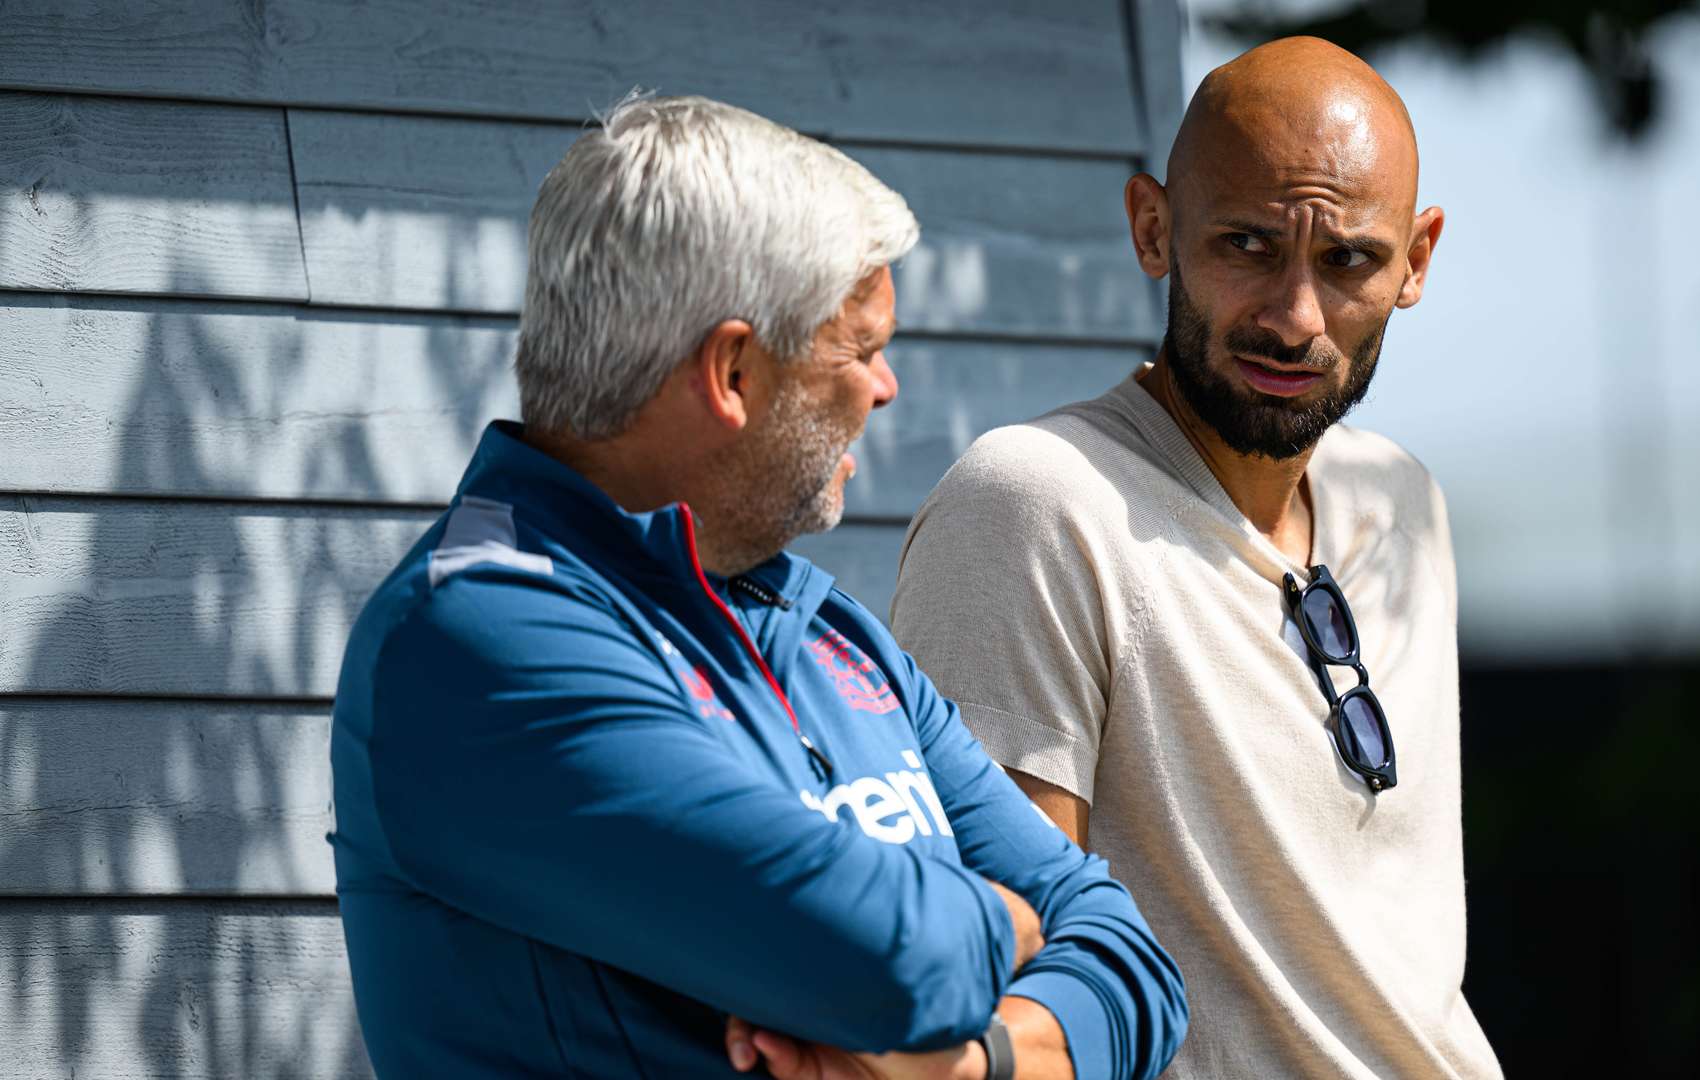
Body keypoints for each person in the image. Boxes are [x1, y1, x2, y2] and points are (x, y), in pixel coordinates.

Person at [328, 93, 1187, 1080]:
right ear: (733, 370)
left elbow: (1136, 960)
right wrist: (1005, 918)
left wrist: (980, 1063)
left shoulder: (827, 629)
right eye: (860, 349)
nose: (885, 386)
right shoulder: (476, 638)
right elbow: (889, 957)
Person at [891, 38, 1502, 1079]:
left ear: (1417, 260)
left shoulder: (1403, 502)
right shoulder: (1037, 504)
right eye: (1249, 246)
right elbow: (995, 962)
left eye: (1348, 258)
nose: (1295, 316)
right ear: (1152, 227)